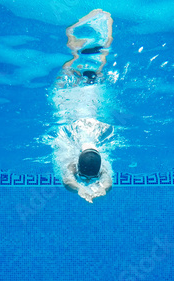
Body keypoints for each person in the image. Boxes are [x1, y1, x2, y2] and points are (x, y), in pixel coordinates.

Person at [51, 9, 114, 203]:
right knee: (69, 73)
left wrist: (91, 190)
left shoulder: (102, 138)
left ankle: (101, 43)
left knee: (96, 74)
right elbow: (67, 180)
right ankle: (73, 49)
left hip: (91, 104)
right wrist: (84, 190)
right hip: (68, 104)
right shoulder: (68, 147)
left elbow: (106, 182)